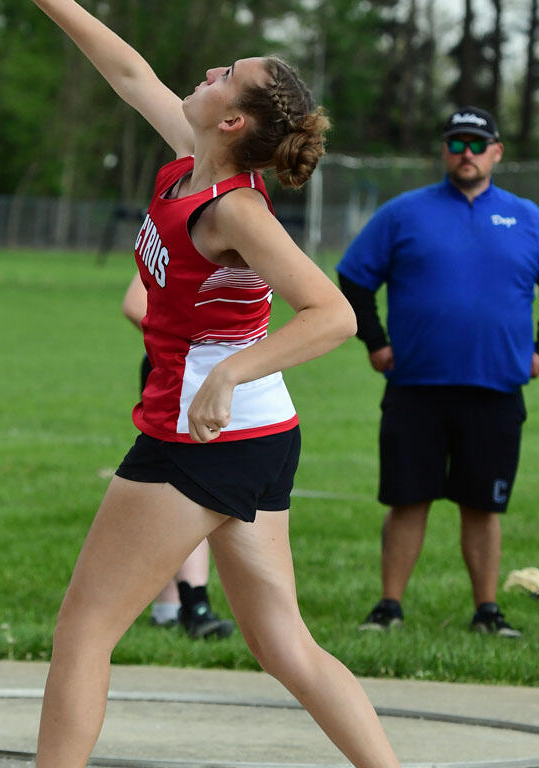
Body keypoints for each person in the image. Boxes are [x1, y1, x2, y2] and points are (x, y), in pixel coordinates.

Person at [30, 2, 401, 766]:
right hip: (254, 438)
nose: (209, 73)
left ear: (232, 122)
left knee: (84, 630)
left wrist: (232, 370)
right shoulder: (189, 161)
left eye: (227, 76)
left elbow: (331, 315)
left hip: (199, 438)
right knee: (284, 646)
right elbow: (128, 71)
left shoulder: (233, 208)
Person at [336, 106, 539, 638]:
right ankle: (388, 607)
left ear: (497, 152)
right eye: (456, 143)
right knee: (408, 499)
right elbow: (353, 280)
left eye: (477, 144)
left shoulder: (525, 217)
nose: (465, 153)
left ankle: (488, 611)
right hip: (416, 388)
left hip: (495, 387)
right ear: (443, 151)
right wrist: (376, 344)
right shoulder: (403, 214)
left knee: (482, 505)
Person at [123, 272, 234, 639]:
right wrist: (200, 341)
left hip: (215, 377)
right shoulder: (187, 224)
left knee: (181, 490)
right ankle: (193, 602)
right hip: (183, 374)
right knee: (188, 489)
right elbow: (136, 304)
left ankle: (170, 603)